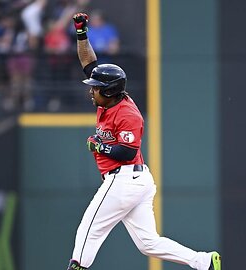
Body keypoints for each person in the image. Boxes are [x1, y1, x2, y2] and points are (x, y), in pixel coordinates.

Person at [65, 12, 221, 270]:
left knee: (89, 227)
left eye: (95, 87)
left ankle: (77, 267)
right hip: (136, 181)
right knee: (148, 243)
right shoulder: (110, 99)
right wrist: (82, 33)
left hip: (124, 178)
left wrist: (99, 145)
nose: (90, 90)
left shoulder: (127, 114)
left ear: (108, 90)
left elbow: (127, 152)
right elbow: (88, 61)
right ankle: (204, 262)